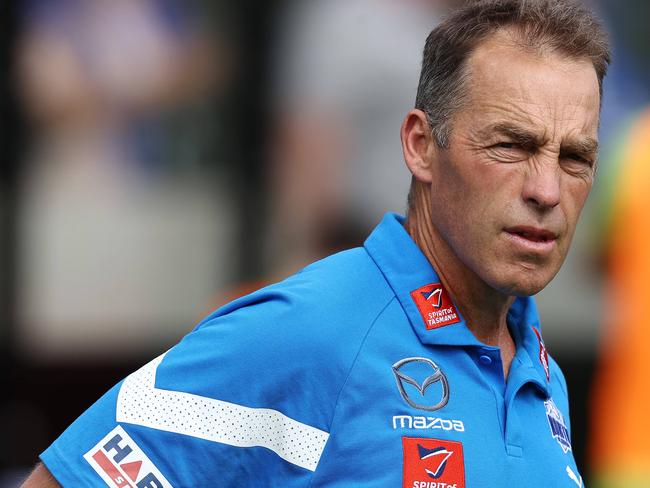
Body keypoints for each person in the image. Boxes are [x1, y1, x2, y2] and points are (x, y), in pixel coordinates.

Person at [22, 0, 610, 486]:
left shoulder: (538, 372)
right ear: (421, 146)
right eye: (511, 146)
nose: (546, 189)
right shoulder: (309, 330)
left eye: (576, 158)